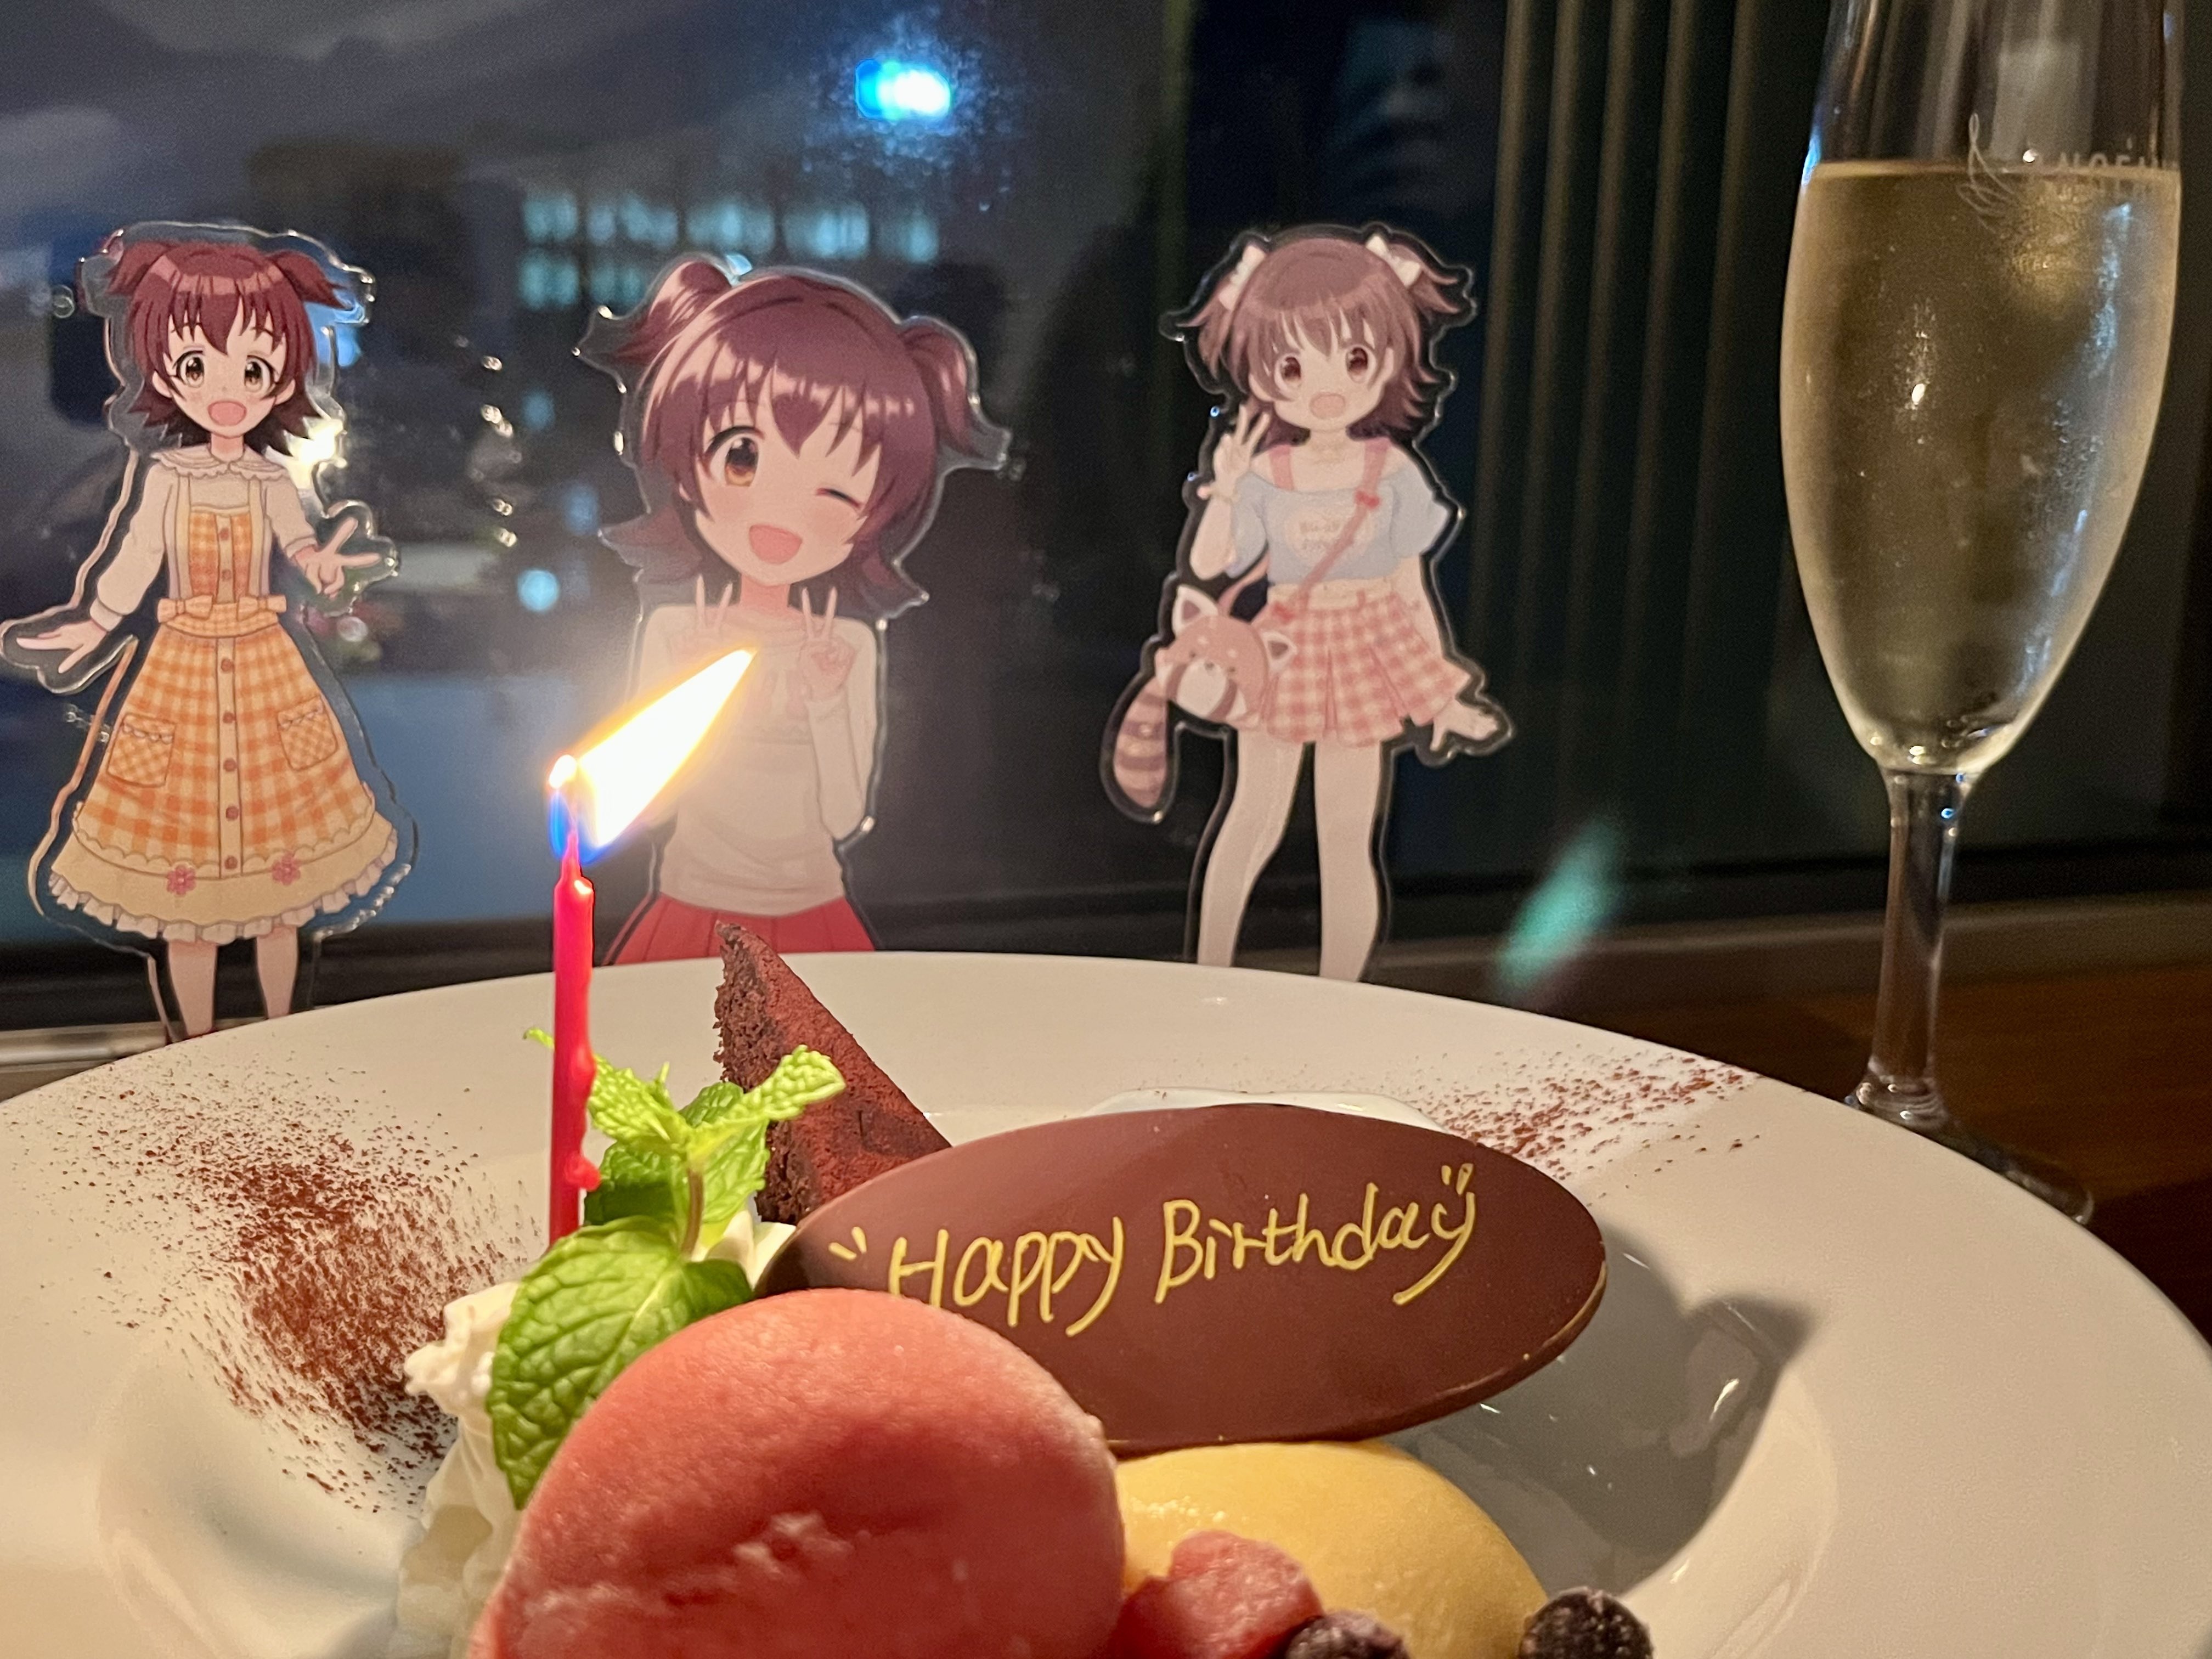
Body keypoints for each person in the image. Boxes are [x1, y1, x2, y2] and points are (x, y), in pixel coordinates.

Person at [1, 234, 399, 1034]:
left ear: (282, 378)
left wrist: (327, 567)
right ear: (160, 373)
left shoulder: (270, 478)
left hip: (264, 668)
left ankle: (282, 1034)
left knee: (282, 899)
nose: (225, 392)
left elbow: (301, 550)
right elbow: (131, 566)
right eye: (195, 365)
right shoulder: (162, 478)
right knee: (186, 906)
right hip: (181, 672)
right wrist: (89, 625)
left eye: (253, 370)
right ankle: (199, 1047)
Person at [582, 258, 1005, 960]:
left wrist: (825, 701)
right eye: (742, 458)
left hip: (812, 918)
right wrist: (685, 701)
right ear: (685, 457)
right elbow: (648, 809)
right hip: (690, 912)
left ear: (877, 511)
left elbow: (843, 815)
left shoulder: (846, 648)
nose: (780, 512)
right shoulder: (676, 631)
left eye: (836, 490)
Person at [1136, 227, 1509, 981]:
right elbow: (1208, 565)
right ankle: (1207, 975)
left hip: (1369, 647)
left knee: (1347, 834)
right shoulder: (1267, 473)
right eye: (1294, 365)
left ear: (1391, 359)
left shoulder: (1392, 470)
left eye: (1356, 358)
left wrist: (1438, 685)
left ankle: (1343, 992)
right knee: (1252, 815)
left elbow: (1410, 583)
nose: (1328, 385)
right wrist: (1226, 490)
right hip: (1285, 648)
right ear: (1261, 374)